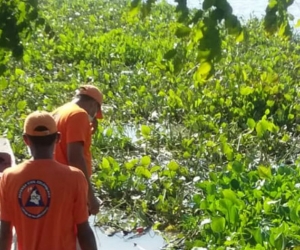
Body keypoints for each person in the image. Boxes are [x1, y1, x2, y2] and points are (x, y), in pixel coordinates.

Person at [0, 111, 98, 250]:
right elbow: (84, 231)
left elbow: (5, 233)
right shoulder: (75, 177)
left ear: (26, 140)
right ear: (58, 138)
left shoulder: (9, 177)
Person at [52, 84, 103, 215]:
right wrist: (90, 196)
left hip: (54, 181)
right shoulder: (78, 115)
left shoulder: (60, 111)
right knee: (73, 232)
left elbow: (63, 142)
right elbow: (75, 158)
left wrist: (88, 128)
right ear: (93, 105)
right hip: (69, 186)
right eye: (96, 112)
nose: (94, 116)